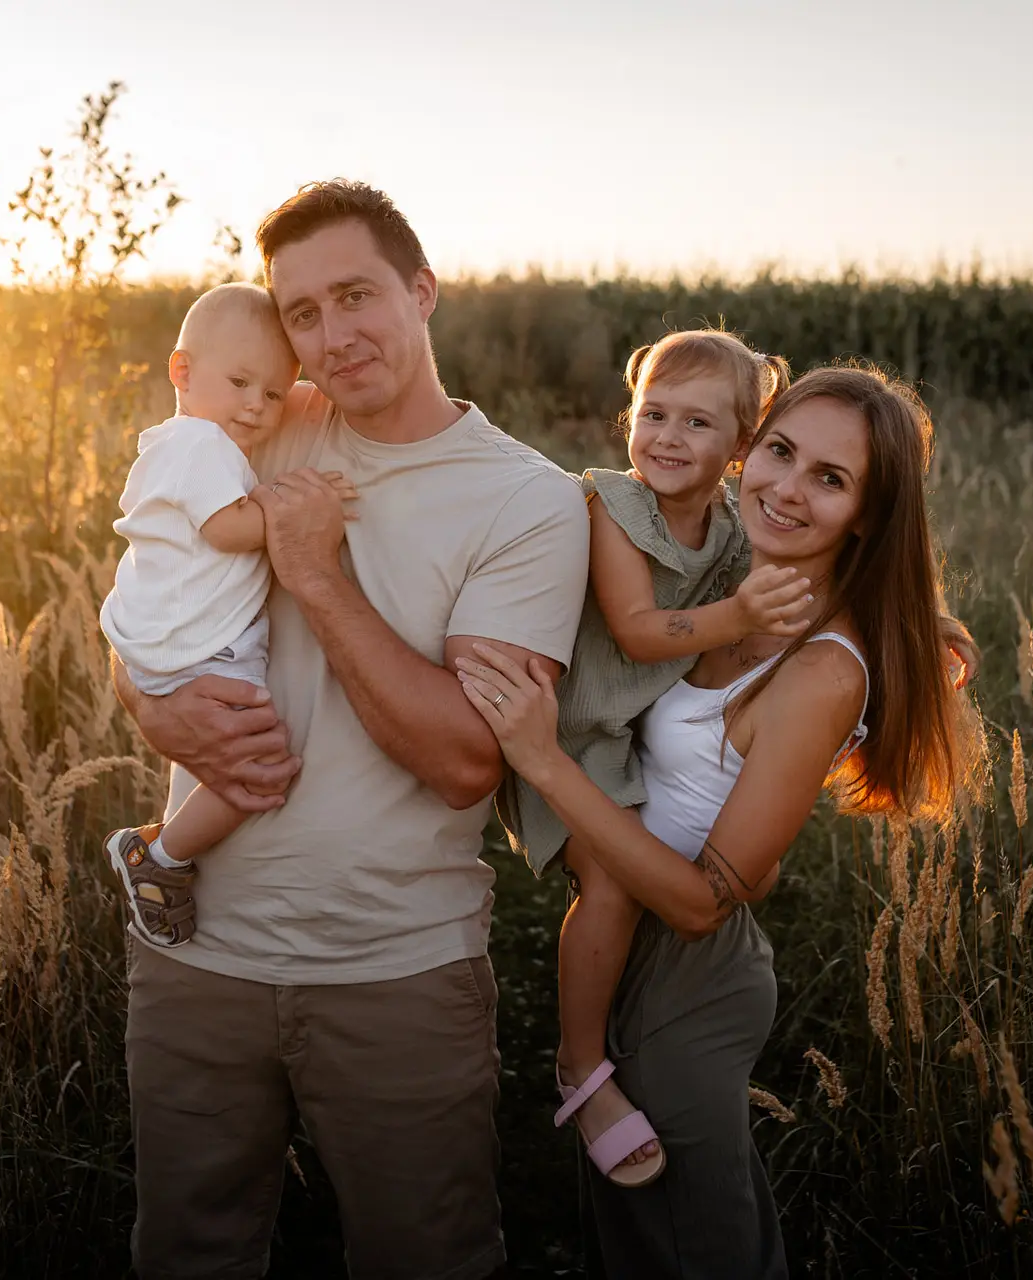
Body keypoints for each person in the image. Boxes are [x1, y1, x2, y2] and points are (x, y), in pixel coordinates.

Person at [110, 181, 590, 1280]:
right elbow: (149, 597)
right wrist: (145, 699)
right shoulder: (258, 425)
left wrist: (315, 573)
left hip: (393, 970)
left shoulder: (527, 502)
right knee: (185, 1255)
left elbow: (469, 758)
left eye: (358, 296)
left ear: (423, 291)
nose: (332, 336)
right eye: (305, 313)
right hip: (194, 955)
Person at [460, 362, 982, 1278]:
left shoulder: (823, 671)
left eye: (831, 479)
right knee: (637, 1247)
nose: (785, 487)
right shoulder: (740, 572)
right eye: (780, 452)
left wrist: (541, 758)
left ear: (868, 512)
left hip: (689, 978)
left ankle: (580, 1080)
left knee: (700, 1254)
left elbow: (705, 902)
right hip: (624, 953)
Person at [502, 328, 807, 1187]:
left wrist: (922, 622)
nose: (668, 438)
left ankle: (651, 1007)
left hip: (648, 729)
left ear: (742, 446)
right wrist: (741, 616)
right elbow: (636, 633)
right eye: (654, 414)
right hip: (577, 730)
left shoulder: (733, 529)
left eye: (698, 424)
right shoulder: (612, 506)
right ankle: (581, 1068)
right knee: (612, 885)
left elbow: (812, 584)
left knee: (734, 866)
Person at [98, 282, 358, 947]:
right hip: (199, 654)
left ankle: (165, 851)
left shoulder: (175, 444)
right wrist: (296, 504)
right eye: (241, 382)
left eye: (274, 393)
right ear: (182, 372)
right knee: (261, 773)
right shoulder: (201, 446)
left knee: (248, 770)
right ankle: (157, 857)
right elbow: (228, 530)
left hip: (171, 647)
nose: (256, 405)